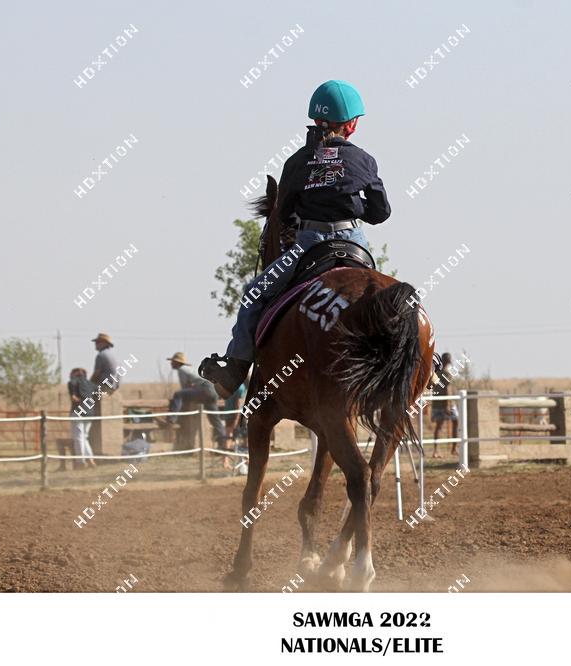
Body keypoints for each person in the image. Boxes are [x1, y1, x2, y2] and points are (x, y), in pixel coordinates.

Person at [200, 79, 391, 398]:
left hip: (309, 243)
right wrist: (349, 203)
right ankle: (427, 364)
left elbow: (284, 214)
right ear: (352, 124)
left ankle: (234, 368)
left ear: (316, 120)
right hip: (355, 243)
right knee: (387, 297)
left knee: (253, 292)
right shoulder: (364, 160)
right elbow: (380, 212)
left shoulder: (298, 162)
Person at [166, 352, 225, 440]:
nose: (171, 363)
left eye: (173, 361)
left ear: (177, 362)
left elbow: (185, 387)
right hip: (213, 390)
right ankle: (223, 440)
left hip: (204, 390)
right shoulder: (189, 369)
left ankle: (172, 418)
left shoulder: (182, 369)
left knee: (178, 395)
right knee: (215, 419)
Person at [430, 353, 460, 458]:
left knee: (439, 427)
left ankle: (436, 451)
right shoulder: (447, 373)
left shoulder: (435, 372)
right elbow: (447, 389)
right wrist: (447, 404)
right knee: (456, 422)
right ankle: (454, 448)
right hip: (447, 403)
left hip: (437, 402)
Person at [67, 367, 96, 468]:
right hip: (90, 413)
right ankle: (91, 460)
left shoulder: (73, 382)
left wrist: (79, 400)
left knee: (78, 438)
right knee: (84, 437)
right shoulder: (91, 384)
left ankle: (81, 462)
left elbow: (74, 398)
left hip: (78, 412)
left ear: (75, 374)